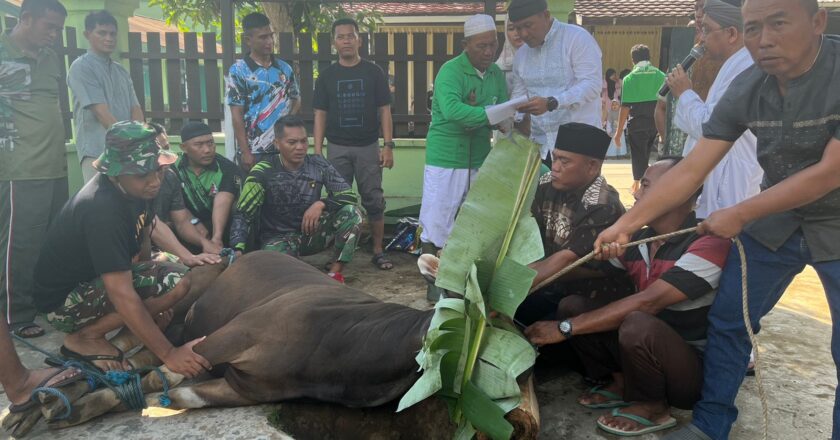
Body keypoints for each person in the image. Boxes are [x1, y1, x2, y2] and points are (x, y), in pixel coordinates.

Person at [594, 0, 840, 438]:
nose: (763, 39)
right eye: (752, 28)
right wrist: (626, 224)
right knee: (729, 321)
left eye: (778, 23)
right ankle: (710, 424)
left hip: (834, 221)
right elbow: (692, 168)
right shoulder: (748, 85)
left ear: (818, 21)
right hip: (779, 219)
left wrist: (740, 212)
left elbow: (828, 173)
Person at [527, 157, 731, 436]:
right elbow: (584, 270)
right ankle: (622, 384)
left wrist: (565, 328)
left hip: (689, 373)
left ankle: (653, 406)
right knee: (572, 305)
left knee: (637, 321)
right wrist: (523, 279)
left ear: (680, 192)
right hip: (645, 349)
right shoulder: (640, 240)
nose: (636, 193)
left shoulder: (708, 243)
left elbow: (650, 302)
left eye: (646, 186)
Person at [32, 121, 220, 375]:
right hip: (64, 303)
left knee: (166, 269)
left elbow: (144, 232)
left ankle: (133, 325)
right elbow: (120, 293)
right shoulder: (102, 211)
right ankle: (85, 337)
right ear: (114, 173)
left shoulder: (137, 191)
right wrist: (169, 354)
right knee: (177, 282)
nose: (155, 181)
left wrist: (148, 291)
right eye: (143, 174)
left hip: (94, 278)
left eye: (158, 170)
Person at [516, 123, 634, 327]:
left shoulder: (603, 204)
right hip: (549, 284)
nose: (555, 167)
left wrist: (509, 288)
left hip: (588, 298)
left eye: (565, 161)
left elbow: (565, 260)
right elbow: (522, 233)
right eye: (555, 157)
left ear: (592, 167)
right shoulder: (546, 185)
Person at [0, 0, 68, 339]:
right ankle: (16, 314)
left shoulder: (51, 57)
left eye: (58, 29)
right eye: (49, 27)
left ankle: (44, 302)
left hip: (55, 163)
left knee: (52, 240)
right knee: (19, 245)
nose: (54, 35)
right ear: (26, 19)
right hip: (20, 167)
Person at [231, 116, 363, 283]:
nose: (300, 147)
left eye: (303, 141)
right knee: (285, 279)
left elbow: (349, 195)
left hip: (311, 234)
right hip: (277, 239)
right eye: (292, 142)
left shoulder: (318, 164)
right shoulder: (263, 171)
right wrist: (238, 249)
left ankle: (334, 275)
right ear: (277, 144)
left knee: (352, 213)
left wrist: (321, 204)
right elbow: (243, 214)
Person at [418, 14, 507, 253]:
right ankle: (433, 284)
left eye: (493, 44)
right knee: (437, 222)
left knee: (477, 220)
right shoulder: (450, 71)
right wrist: (489, 115)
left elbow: (504, 109)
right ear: (465, 45)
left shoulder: (496, 74)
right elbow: (452, 110)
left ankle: (465, 278)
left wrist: (509, 117)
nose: (489, 52)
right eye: (482, 46)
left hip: (480, 157)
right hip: (446, 159)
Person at [667, 0, 762, 220]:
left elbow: (710, 127)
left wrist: (684, 93)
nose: (701, 38)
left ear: (731, 33)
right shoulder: (735, 63)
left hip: (732, 182)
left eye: (707, 30)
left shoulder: (745, 66)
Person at [313, 18, 395, 271]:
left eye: (351, 36)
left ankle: (378, 250)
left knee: (373, 198)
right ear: (334, 43)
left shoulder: (374, 72)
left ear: (359, 40)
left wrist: (388, 145)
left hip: (368, 146)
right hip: (336, 147)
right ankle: (339, 252)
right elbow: (320, 114)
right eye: (340, 36)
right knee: (339, 200)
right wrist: (317, 151)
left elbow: (384, 110)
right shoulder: (326, 76)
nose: (346, 40)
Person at [509, 0, 603, 163]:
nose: (523, 34)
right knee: (542, 189)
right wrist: (512, 117)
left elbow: (592, 84)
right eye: (517, 28)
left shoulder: (576, 38)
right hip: (541, 146)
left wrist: (553, 102)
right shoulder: (521, 55)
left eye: (528, 25)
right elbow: (519, 96)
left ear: (546, 15)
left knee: (581, 190)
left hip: (580, 144)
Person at [67, 10, 144, 183]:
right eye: (102, 33)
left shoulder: (121, 71)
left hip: (127, 151)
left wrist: (139, 142)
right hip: (97, 152)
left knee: (127, 205)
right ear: (87, 34)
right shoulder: (81, 68)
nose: (109, 38)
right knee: (101, 204)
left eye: (112, 34)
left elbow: (136, 110)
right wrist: (130, 143)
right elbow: (101, 113)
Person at [227, 12, 301, 171]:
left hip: (283, 149)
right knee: (256, 195)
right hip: (254, 151)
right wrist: (245, 151)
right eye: (263, 37)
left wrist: (286, 125)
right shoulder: (239, 71)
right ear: (248, 40)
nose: (269, 41)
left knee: (287, 194)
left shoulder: (284, 68)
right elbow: (236, 114)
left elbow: (296, 99)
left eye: (271, 36)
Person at [170, 122, 241, 248]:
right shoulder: (172, 169)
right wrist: (194, 221)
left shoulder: (227, 168)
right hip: (185, 222)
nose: (207, 150)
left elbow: (223, 200)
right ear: (184, 147)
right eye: (198, 145)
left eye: (210, 143)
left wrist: (216, 237)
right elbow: (174, 204)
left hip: (219, 224)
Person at [614, 44, 666, 192]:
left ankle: (641, 185)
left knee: (638, 156)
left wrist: (618, 134)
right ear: (649, 57)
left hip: (637, 124)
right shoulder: (661, 75)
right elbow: (665, 104)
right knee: (645, 154)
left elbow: (625, 108)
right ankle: (642, 183)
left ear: (633, 60)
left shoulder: (629, 78)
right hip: (655, 123)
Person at [495, 14, 524, 93]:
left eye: (520, 27)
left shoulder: (541, 60)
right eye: (511, 29)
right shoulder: (499, 67)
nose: (516, 33)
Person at [601, 68, 622, 136]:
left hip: (615, 113)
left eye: (615, 74)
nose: (614, 76)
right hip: (606, 113)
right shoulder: (605, 87)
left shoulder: (616, 87)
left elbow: (622, 86)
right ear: (608, 76)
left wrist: (617, 80)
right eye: (612, 75)